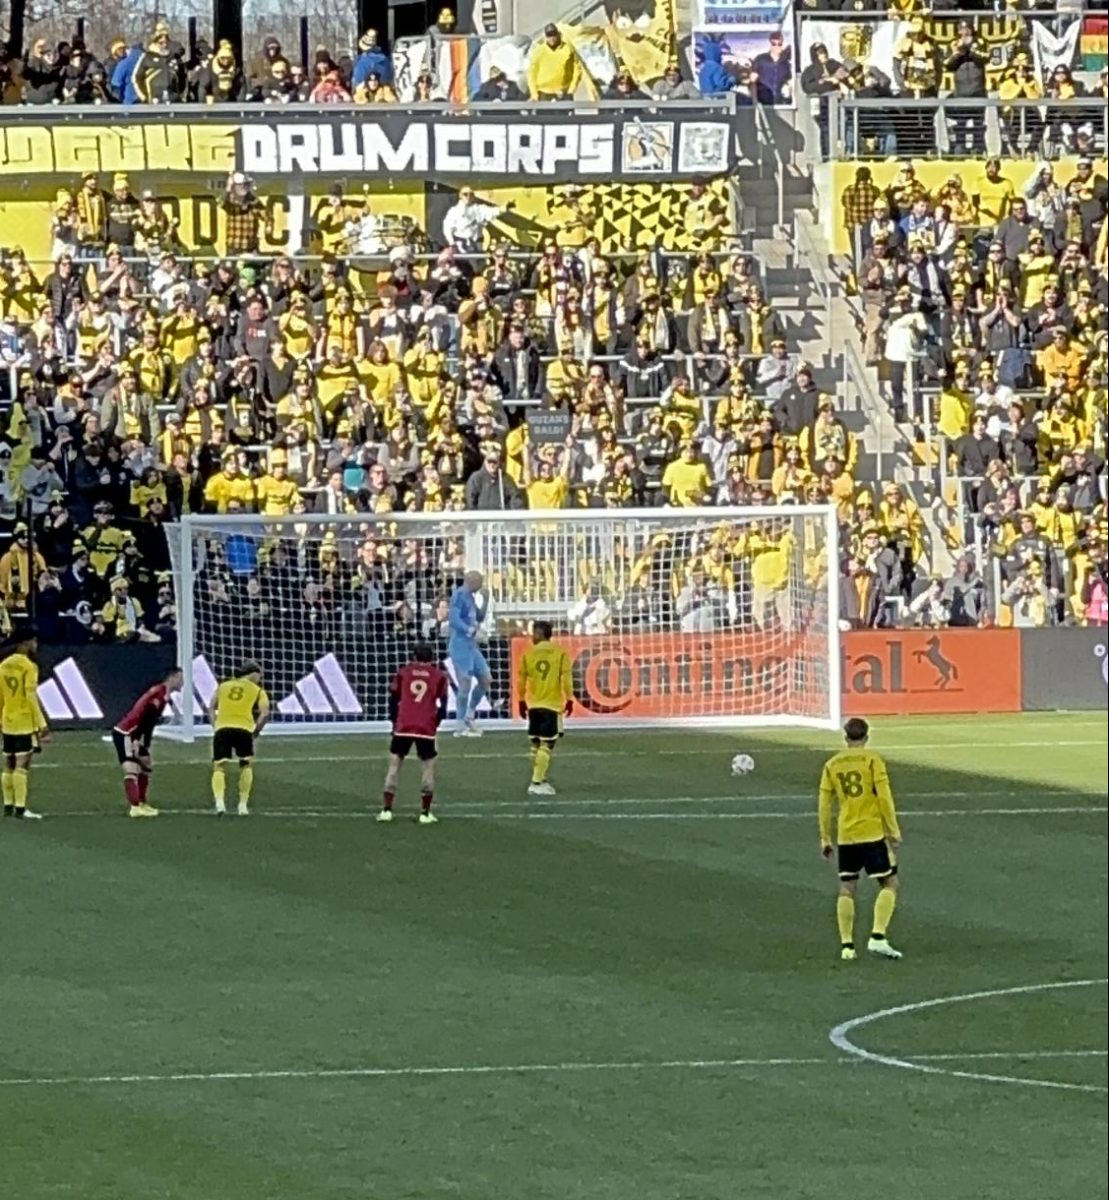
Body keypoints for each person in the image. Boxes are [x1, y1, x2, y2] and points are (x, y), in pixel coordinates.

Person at [818, 717, 902, 962]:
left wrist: (825, 837)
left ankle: (847, 946)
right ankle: (877, 938)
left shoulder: (832, 765)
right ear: (866, 737)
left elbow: (824, 804)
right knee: (890, 883)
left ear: (846, 738)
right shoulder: (873, 761)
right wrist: (893, 830)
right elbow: (884, 797)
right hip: (872, 833)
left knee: (847, 887)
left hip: (846, 836)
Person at [379, 643, 449, 825]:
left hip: (404, 725)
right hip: (426, 727)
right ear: (432, 658)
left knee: (394, 766)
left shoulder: (404, 672)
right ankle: (425, 813)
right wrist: (436, 722)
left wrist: (394, 721)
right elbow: (443, 703)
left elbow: (394, 697)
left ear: (414, 657)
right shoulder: (439, 676)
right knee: (428, 768)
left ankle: (387, 810)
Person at [112, 665, 184, 818]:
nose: (183, 682)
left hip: (135, 734)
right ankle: (135, 807)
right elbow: (145, 718)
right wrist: (137, 741)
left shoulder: (162, 694)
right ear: (173, 677)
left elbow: (149, 722)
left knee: (146, 766)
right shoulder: (158, 693)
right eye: (180, 678)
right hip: (126, 733)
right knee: (131, 767)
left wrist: (146, 744)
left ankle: (142, 802)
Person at [516, 620, 573, 797]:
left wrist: (521, 700)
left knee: (536, 744)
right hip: (551, 705)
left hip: (533, 704)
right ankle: (536, 781)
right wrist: (569, 699)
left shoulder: (528, 654)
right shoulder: (560, 653)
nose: (532, 637)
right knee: (547, 744)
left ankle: (539, 776)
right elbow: (566, 678)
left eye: (534, 633)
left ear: (540, 634)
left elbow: (521, 679)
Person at [0, 625, 49, 820]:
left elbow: (1, 695)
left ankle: (7, 805)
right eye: (34, 641)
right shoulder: (29, 666)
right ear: (25, 643)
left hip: (8, 719)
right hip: (24, 721)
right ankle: (20, 808)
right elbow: (30, 697)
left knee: (8, 763)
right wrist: (41, 724)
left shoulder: (3, 665)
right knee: (22, 763)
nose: (36, 644)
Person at [210, 660, 270, 816]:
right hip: (244, 729)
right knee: (245, 765)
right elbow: (265, 714)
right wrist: (256, 731)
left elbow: (210, 706)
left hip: (222, 728)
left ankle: (219, 803)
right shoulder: (257, 690)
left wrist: (215, 726)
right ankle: (242, 805)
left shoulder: (223, 686)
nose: (260, 679)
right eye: (260, 675)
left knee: (219, 766)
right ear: (253, 674)